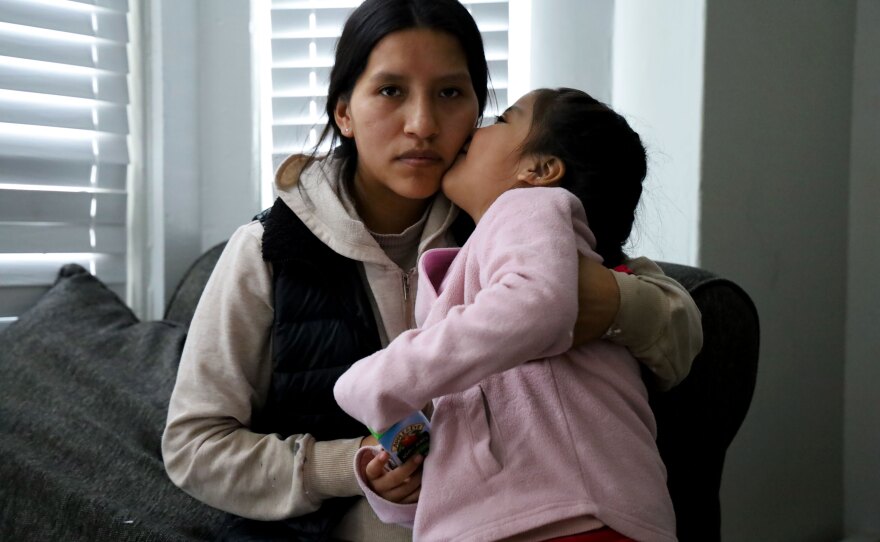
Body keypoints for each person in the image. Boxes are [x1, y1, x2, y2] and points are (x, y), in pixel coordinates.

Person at [161, 1, 701, 541]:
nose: (422, 125)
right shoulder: (267, 251)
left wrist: (608, 302)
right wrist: (349, 464)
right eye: (391, 91)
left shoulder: (510, 207)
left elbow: (680, 334)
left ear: (475, 111)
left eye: (449, 93)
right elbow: (193, 447)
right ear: (344, 112)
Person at [334, 88, 675, 542]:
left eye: (501, 119)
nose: (474, 130)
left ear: (538, 170)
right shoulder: (470, 261)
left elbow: (537, 306)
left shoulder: (529, 206)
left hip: (569, 513)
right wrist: (398, 476)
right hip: (501, 517)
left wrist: (383, 376)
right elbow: (469, 415)